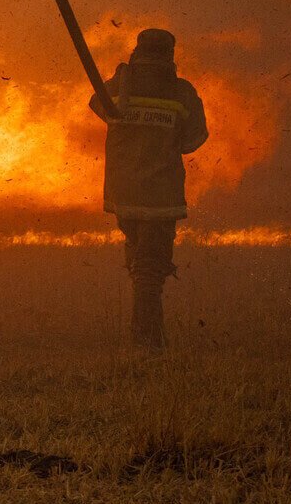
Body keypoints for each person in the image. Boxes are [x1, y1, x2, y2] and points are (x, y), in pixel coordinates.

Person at [90, 28, 208, 350]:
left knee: (141, 263)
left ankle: (145, 333)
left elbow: (95, 104)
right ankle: (148, 342)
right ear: (170, 56)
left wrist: (121, 77)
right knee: (150, 270)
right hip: (160, 197)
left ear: (137, 53)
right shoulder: (182, 93)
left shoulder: (119, 88)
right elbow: (194, 140)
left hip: (124, 196)